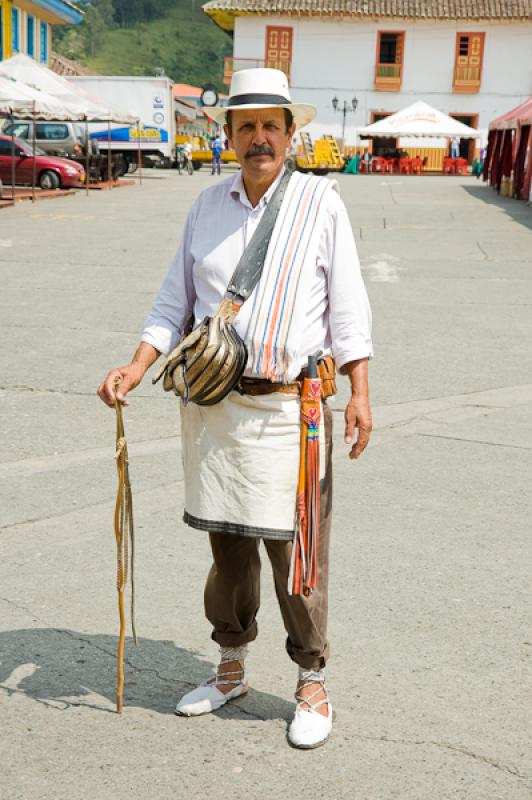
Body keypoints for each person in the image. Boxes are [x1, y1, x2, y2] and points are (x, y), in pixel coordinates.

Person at [97, 68, 373, 750]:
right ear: (227, 136)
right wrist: (136, 365)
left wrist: (361, 390)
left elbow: (349, 306)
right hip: (216, 410)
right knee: (228, 551)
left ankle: (312, 680)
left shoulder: (320, 203)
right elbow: (173, 301)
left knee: (295, 554)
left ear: (290, 134)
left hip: (293, 411)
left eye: (270, 126)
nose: (258, 138)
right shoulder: (206, 207)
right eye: (245, 126)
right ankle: (230, 668)